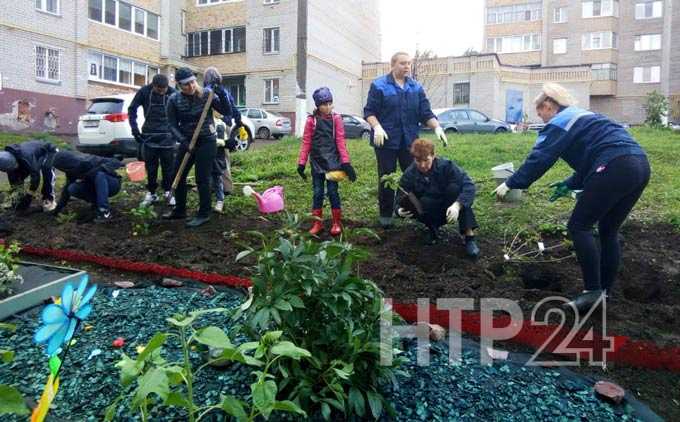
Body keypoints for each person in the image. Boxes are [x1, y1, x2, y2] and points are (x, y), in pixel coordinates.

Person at [494, 83, 650, 312]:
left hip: (614, 165)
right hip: (638, 165)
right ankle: (604, 293)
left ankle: (592, 291)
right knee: (608, 230)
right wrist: (570, 183)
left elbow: (540, 158)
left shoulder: (560, 122)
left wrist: (511, 183)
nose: (543, 119)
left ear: (548, 105)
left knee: (579, 226)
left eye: (541, 113)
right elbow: (595, 153)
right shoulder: (585, 116)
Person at [363, 51, 448, 228]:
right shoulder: (379, 86)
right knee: (386, 177)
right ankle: (386, 214)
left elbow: (425, 113)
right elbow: (369, 112)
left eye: (409, 63)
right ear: (393, 65)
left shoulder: (416, 88)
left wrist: (437, 127)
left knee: (413, 176)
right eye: (402, 63)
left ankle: (408, 209)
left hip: (409, 142)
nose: (407, 66)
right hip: (385, 141)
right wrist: (376, 126)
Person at [163, 67, 234, 227]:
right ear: (179, 85)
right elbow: (171, 125)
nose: (191, 86)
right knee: (178, 176)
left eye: (193, 82)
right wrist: (183, 141)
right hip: (187, 141)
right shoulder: (173, 100)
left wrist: (221, 93)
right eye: (186, 84)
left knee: (202, 178)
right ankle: (180, 210)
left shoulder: (207, 95)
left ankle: (204, 213)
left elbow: (226, 111)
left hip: (207, 141)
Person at [396, 138, 479, 257]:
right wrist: (399, 210)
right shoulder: (410, 174)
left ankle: (469, 236)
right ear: (414, 158)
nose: (423, 165)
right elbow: (399, 196)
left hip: (449, 204)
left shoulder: (447, 166)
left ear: (433, 156)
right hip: (429, 209)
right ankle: (432, 229)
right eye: (418, 161)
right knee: (418, 201)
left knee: (456, 190)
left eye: (426, 160)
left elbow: (469, 185)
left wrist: (457, 205)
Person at [297, 87, 357, 236]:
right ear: (318, 105)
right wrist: (301, 163)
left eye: (330, 103)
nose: (328, 107)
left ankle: (336, 222)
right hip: (317, 162)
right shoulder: (311, 121)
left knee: (332, 192)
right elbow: (306, 142)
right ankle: (317, 223)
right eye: (324, 104)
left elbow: (340, 141)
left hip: (333, 163)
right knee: (317, 193)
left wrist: (346, 163)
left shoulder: (336, 119)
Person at [128, 73, 177, 206]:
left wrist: (178, 132)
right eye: (158, 90)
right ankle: (152, 193)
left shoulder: (173, 93)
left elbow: (181, 112)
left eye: (164, 90)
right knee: (151, 166)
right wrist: (134, 129)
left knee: (168, 166)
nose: (162, 92)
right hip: (149, 134)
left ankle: (168, 192)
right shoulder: (144, 92)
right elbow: (132, 109)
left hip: (167, 135)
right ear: (153, 86)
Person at [203, 67, 242, 213]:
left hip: (216, 125)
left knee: (217, 156)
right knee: (223, 157)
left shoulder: (207, 90)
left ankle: (221, 187)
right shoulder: (224, 90)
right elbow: (233, 108)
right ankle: (224, 186)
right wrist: (237, 121)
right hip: (224, 124)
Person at [50, 151, 124, 223]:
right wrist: (58, 209)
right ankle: (96, 204)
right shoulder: (71, 171)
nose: (62, 170)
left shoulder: (88, 160)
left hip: (113, 185)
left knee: (99, 175)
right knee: (72, 188)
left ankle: (104, 211)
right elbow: (66, 190)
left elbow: (116, 162)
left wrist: (100, 169)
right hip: (97, 188)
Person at [0, 140, 57, 212]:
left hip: (48, 150)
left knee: (47, 169)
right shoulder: (4, 160)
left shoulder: (27, 158)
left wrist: (29, 195)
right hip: (28, 156)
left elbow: (36, 177)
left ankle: (49, 199)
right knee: (17, 176)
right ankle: (18, 200)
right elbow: (13, 180)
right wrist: (17, 198)